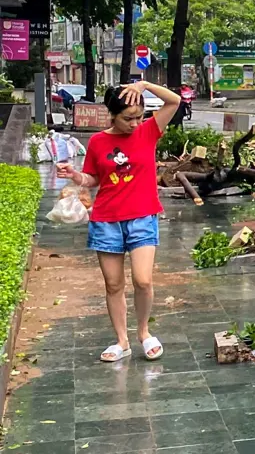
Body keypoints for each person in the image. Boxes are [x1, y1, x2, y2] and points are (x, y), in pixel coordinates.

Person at [56, 81, 180, 363]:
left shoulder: (149, 130)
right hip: (107, 220)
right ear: (112, 115)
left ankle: (144, 332)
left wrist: (145, 84)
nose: (135, 123)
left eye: (139, 116)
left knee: (143, 280)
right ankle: (122, 341)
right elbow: (93, 178)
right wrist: (76, 177)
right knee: (113, 285)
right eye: (128, 118)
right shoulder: (98, 141)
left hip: (142, 216)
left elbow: (174, 101)